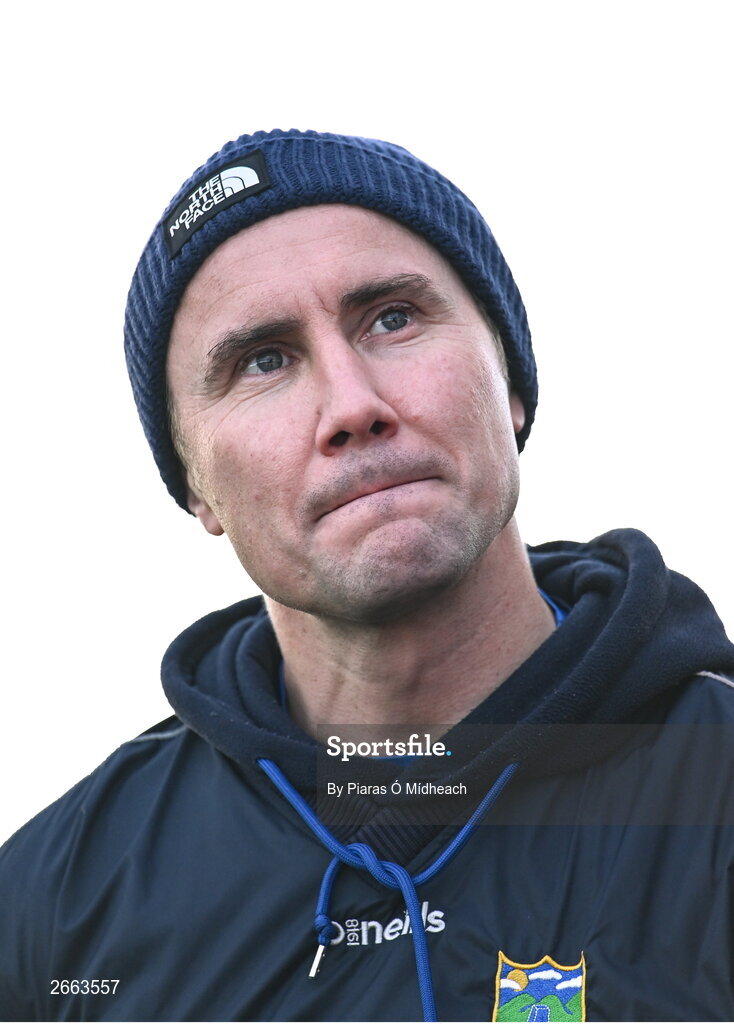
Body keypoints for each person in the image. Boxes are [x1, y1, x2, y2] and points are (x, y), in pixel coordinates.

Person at [1, 129, 733, 1024]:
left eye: (392, 317)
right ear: (196, 487)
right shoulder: (56, 905)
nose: (352, 405)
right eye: (262, 361)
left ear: (511, 381)